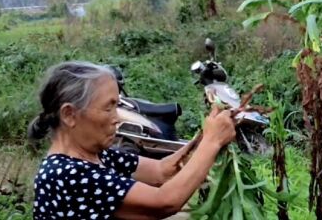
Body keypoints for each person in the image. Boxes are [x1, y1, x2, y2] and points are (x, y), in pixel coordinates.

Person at [27, 61, 236, 219]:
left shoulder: (97, 155)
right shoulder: (66, 174)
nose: (116, 118)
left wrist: (205, 136)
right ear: (69, 115)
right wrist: (211, 142)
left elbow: (161, 171)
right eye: (108, 107)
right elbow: (164, 202)